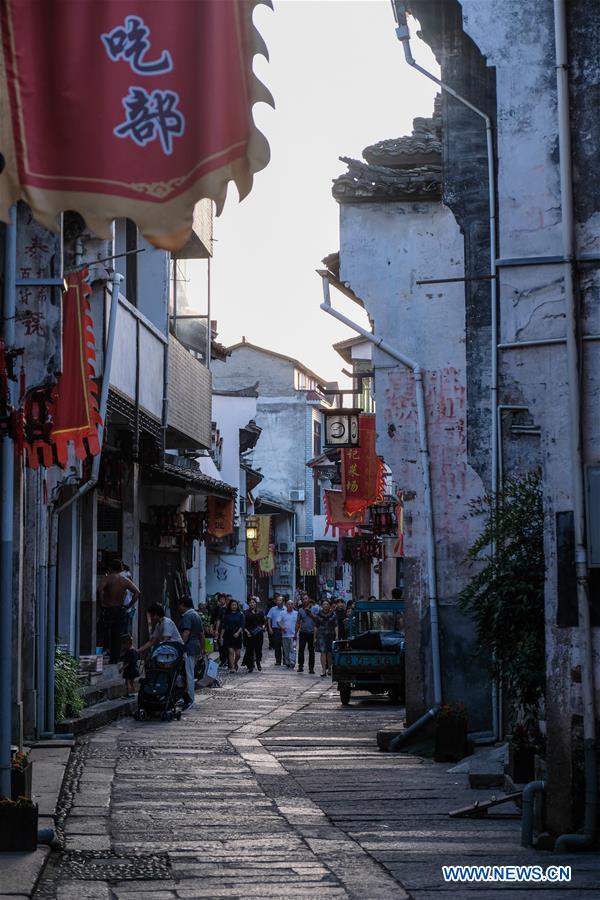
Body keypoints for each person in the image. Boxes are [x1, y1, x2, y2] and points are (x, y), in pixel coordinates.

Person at [97, 559, 140, 663]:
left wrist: (101, 603)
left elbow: (99, 590)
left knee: (101, 633)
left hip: (108, 609)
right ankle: (114, 659)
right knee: (117, 636)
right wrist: (127, 606)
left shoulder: (108, 579)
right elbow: (137, 592)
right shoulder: (124, 580)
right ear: (120, 568)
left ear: (110, 568)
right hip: (120, 609)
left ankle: (97, 656)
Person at [178, 598, 204, 709]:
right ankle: (185, 697)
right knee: (189, 673)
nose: (179, 608)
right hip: (196, 646)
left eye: (179, 605)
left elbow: (186, 632)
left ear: (183, 605)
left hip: (189, 647)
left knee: (189, 674)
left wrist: (180, 646)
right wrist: (203, 648)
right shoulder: (197, 615)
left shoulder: (187, 616)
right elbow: (201, 634)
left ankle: (190, 699)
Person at [314, 599, 338, 677]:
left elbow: (336, 625)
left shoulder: (333, 614)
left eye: (327, 604)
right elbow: (316, 626)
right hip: (321, 635)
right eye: (324, 604)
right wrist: (314, 637)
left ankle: (330, 669)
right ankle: (323, 670)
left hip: (331, 634)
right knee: (323, 652)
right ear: (321, 606)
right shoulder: (318, 614)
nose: (325, 606)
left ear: (329, 605)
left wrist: (337, 635)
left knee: (330, 653)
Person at [220, 599, 245, 671]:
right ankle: (232, 667)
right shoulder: (226, 615)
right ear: (230, 606)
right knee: (230, 652)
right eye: (232, 605)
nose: (234, 606)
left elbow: (242, 625)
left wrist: (238, 633)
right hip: (228, 634)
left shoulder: (240, 614)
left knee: (238, 654)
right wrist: (221, 637)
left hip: (238, 634)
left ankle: (235, 662)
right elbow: (224, 626)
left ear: (237, 606)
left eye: (235, 605)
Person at [243, 596, 265, 672]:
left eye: (253, 602)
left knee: (258, 649)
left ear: (256, 603)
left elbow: (263, 622)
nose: (252, 604)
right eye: (250, 602)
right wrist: (247, 632)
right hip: (249, 633)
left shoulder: (260, 612)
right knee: (249, 650)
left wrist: (262, 627)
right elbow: (243, 624)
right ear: (248, 604)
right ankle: (250, 666)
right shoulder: (245, 612)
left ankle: (258, 661)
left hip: (258, 633)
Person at [295, 595, 316, 674]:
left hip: (312, 633)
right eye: (303, 599)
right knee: (301, 649)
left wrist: (310, 613)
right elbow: (298, 622)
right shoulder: (300, 610)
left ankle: (311, 668)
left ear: (309, 599)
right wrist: (295, 633)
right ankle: (300, 666)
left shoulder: (314, 608)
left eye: (306, 598)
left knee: (311, 651)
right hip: (303, 633)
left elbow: (317, 619)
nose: (305, 600)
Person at [278, 599, 298, 668]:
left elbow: (299, 623)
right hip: (285, 635)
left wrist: (297, 632)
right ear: (286, 605)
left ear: (293, 605)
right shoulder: (282, 613)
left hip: (293, 635)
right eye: (288, 604)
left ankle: (292, 662)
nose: (290, 605)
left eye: (291, 604)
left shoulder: (296, 613)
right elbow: (278, 621)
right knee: (286, 650)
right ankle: (287, 662)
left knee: (293, 649)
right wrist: (282, 627)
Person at [211, 593, 229, 667]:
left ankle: (227, 659)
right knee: (220, 644)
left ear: (225, 600)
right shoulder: (217, 608)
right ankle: (223, 659)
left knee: (226, 644)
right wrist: (213, 628)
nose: (221, 601)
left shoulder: (228, 608)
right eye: (220, 599)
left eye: (223, 599)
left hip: (227, 629)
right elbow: (213, 619)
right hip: (218, 628)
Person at [266, 594, 284, 665]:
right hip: (275, 629)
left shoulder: (286, 609)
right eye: (277, 600)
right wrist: (270, 628)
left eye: (280, 600)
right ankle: (278, 661)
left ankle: (286, 660)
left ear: (283, 602)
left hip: (284, 630)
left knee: (285, 646)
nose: (278, 602)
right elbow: (269, 619)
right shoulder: (272, 609)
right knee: (277, 646)